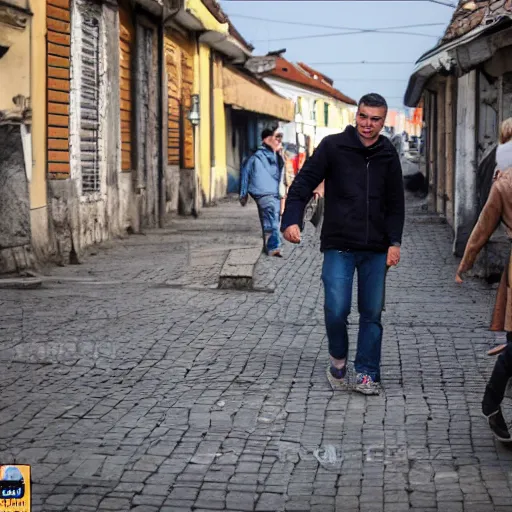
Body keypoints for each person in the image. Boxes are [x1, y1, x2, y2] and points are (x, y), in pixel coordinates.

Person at [281, 93, 405, 396]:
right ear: (356, 116)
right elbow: (303, 182)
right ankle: (338, 360)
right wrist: (290, 220)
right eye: (363, 116)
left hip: (376, 249)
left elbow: (396, 203)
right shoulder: (333, 147)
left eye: (375, 119)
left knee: (371, 313)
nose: (368, 124)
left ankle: (366, 372)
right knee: (336, 309)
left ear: (383, 121)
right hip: (338, 245)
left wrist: (395, 242)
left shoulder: (388, 153)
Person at [455, 117, 512, 441]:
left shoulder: (501, 182)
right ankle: (491, 402)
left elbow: (481, 229)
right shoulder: (502, 185)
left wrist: (465, 264)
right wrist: (465, 263)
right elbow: (481, 228)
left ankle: (492, 402)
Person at [240, 126, 284, 257]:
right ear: (267, 139)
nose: (277, 141)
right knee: (274, 220)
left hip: (261, 194)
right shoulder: (266, 156)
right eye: (274, 138)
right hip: (269, 192)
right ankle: (274, 247)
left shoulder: (258, 155)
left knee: (267, 220)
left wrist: (243, 194)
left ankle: (269, 246)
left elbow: (245, 173)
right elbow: (246, 173)